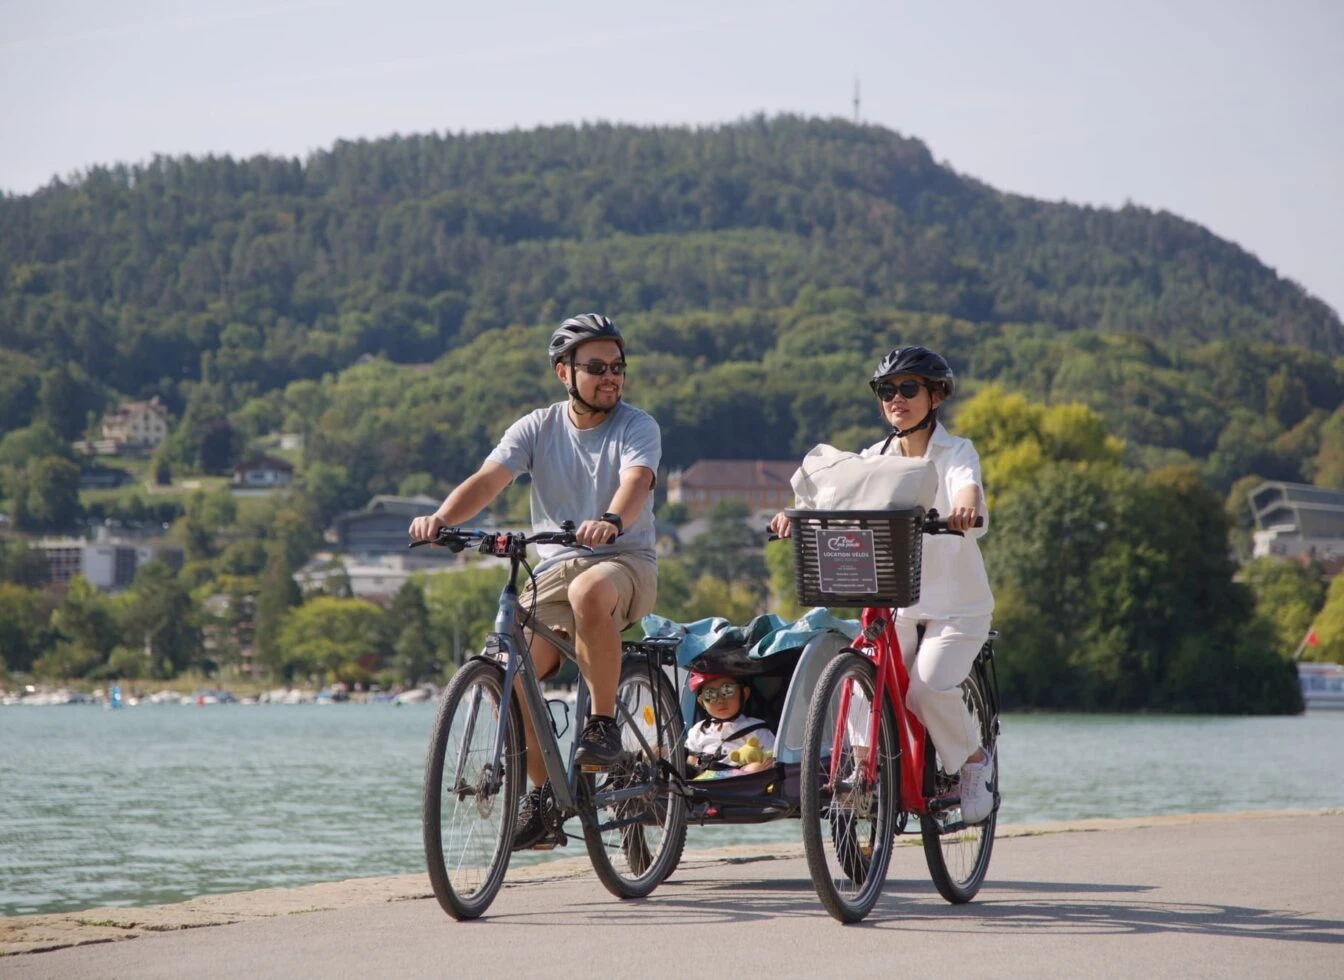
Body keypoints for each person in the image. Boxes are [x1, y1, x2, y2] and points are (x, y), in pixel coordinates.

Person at [408, 313, 661, 849]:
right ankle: (544, 800)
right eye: (596, 367)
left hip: (623, 561)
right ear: (562, 372)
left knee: (588, 591)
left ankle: (600, 725)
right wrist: (442, 520)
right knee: (507, 666)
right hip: (552, 569)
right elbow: (487, 480)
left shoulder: (638, 426)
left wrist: (612, 521)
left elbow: (636, 482)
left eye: (618, 367)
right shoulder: (537, 427)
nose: (610, 377)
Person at [768, 346, 996, 824]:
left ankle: (974, 763)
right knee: (862, 681)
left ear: (936, 396)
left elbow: (967, 487)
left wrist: (965, 508)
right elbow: (836, 496)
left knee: (927, 689)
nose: (897, 398)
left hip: (956, 607)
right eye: (887, 390)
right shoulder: (874, 458)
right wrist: (796, 516)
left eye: (909, 388)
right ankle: (859, 772)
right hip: (898, 602)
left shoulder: (956, 452)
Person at [684, 672, 776, 777]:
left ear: (744, 694)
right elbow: (691, 759)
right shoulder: (699, 729)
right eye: (710, 694)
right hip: (705, 779)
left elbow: (771, 758)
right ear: (702, 702)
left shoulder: (757, 728)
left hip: (736, 783)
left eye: (727, 690)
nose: (720, 701)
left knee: (756, 767)